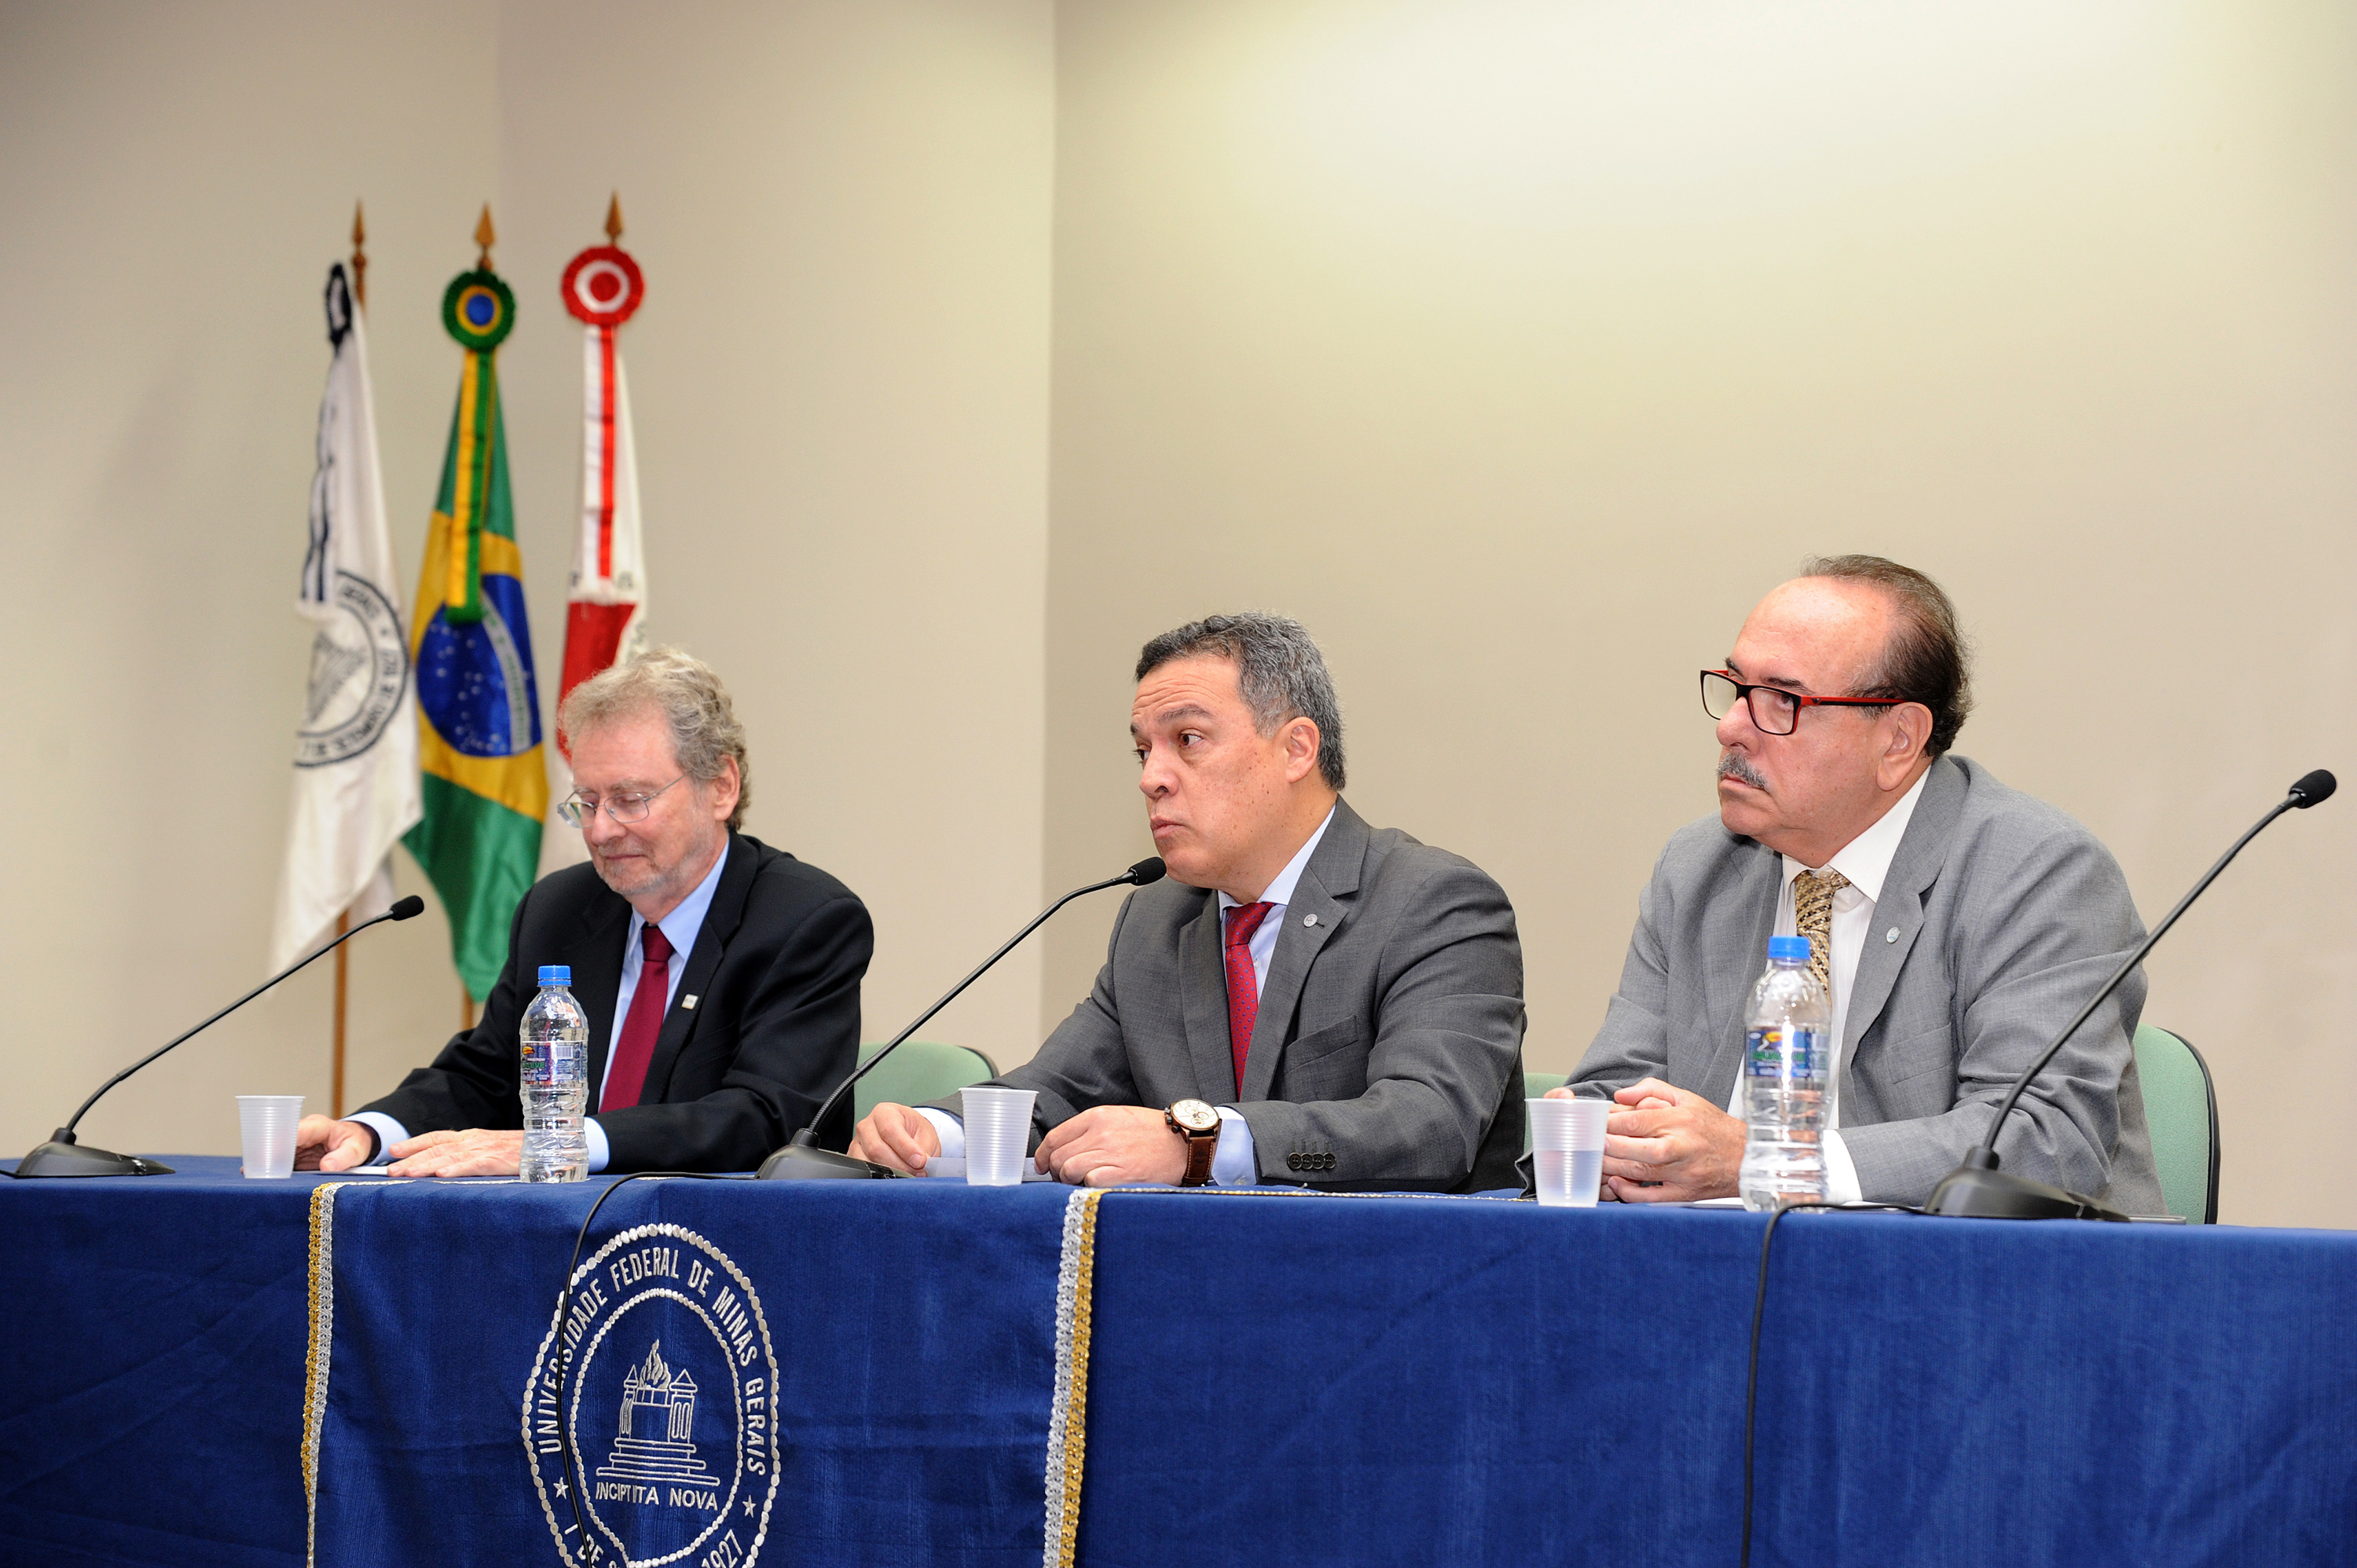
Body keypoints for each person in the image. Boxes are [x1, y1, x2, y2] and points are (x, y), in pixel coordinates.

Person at [1556, 555, 2164, 1210]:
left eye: (1781, 701)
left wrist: (1766, 1163)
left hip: (1977, 1286)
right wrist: (1599, 1137)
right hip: (1722, 1276)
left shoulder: (2036, 871)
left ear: (1899, 739)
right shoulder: (1700, 865)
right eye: (1735, 689)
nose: (1730, 728)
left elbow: (2044, 1139)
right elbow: (1611, 1092)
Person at [849, 613, 1527, 1191]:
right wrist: (930, 1131)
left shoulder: (1434, 902)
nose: (1152, 779)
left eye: (1188, 741)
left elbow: (1427, 1124)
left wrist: (1198, 1144)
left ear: (1296, 748)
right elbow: (1055, 1092)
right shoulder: (1158, 920)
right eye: (1143, 751)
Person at [294, 649, 873, 1175]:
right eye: (587, 803)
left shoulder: (804, 920)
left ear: (720, 787)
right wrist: (369, 1134)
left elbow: (767, 1119)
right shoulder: (559, 910)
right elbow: (485, 1077)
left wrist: (562, 1143)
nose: (599, 830)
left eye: (630, 800)